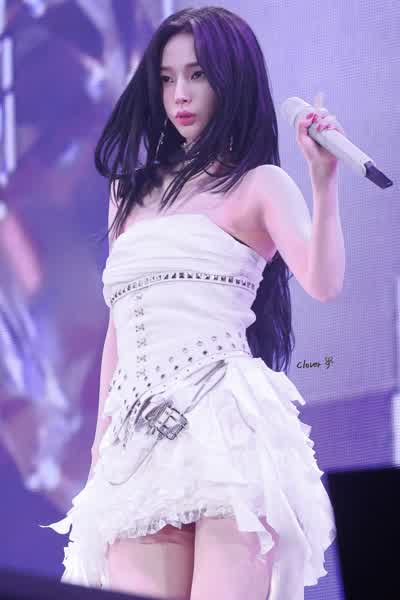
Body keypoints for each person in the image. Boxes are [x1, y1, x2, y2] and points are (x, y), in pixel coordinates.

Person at [41, 6, 345, 600]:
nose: (179, 94)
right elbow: (119, 325)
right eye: (166, 78)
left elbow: (323, 281)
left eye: (197, 74)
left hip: (226, 425)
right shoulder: (128, 192)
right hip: (137, 440)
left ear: (232, 79)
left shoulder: (259, 184)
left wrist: (324, 181)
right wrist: (102, 440)